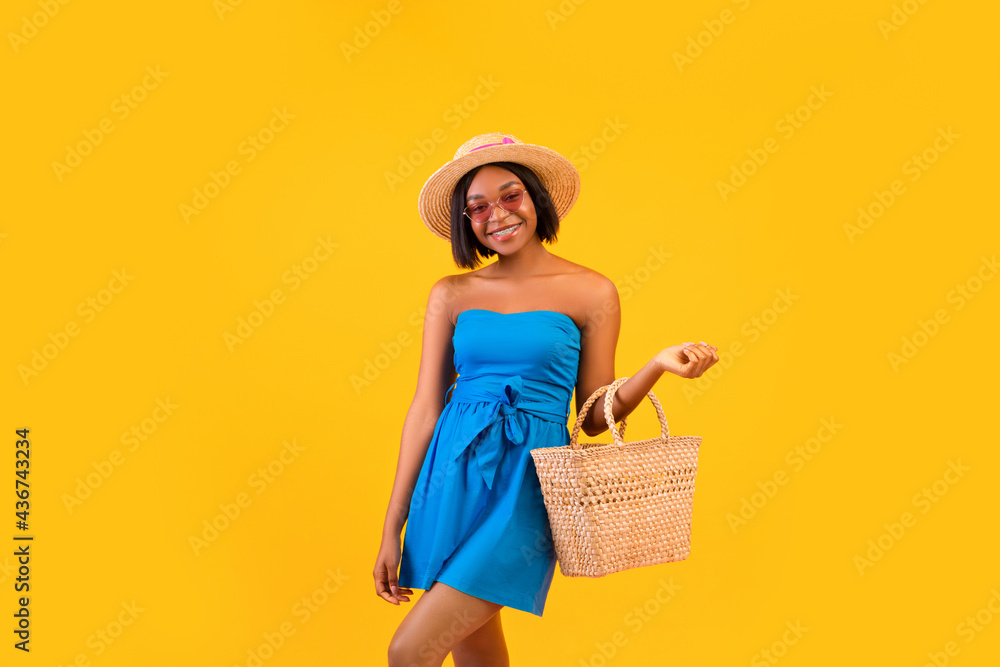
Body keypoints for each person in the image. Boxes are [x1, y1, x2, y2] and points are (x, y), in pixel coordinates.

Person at [374, 132, 718, 666]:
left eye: (510, 196)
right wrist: (391, 527)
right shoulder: (451, 294)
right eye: (478, 207)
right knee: (477, 649)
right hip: (451, 477)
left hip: (531, 484)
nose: (498, 215)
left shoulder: (591, 292)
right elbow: (424, 410)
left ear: (536, 198)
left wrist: (655, 367)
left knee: (409, 651)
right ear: (467, 221)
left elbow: (597, 415)